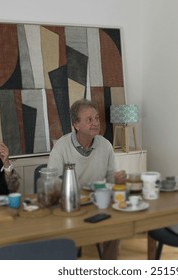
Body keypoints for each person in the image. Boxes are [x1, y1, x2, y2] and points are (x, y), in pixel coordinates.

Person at [48, 98, 125, 259]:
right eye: (89, 119)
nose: (95, 123)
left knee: (115, 227)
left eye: (96, 118)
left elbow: (111, 179)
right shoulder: (61, 147)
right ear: (76, 124)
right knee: (67, 241)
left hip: (96, 204)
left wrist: (117, 180)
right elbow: (52, 182)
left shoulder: (105, 145)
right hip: (70, 207)